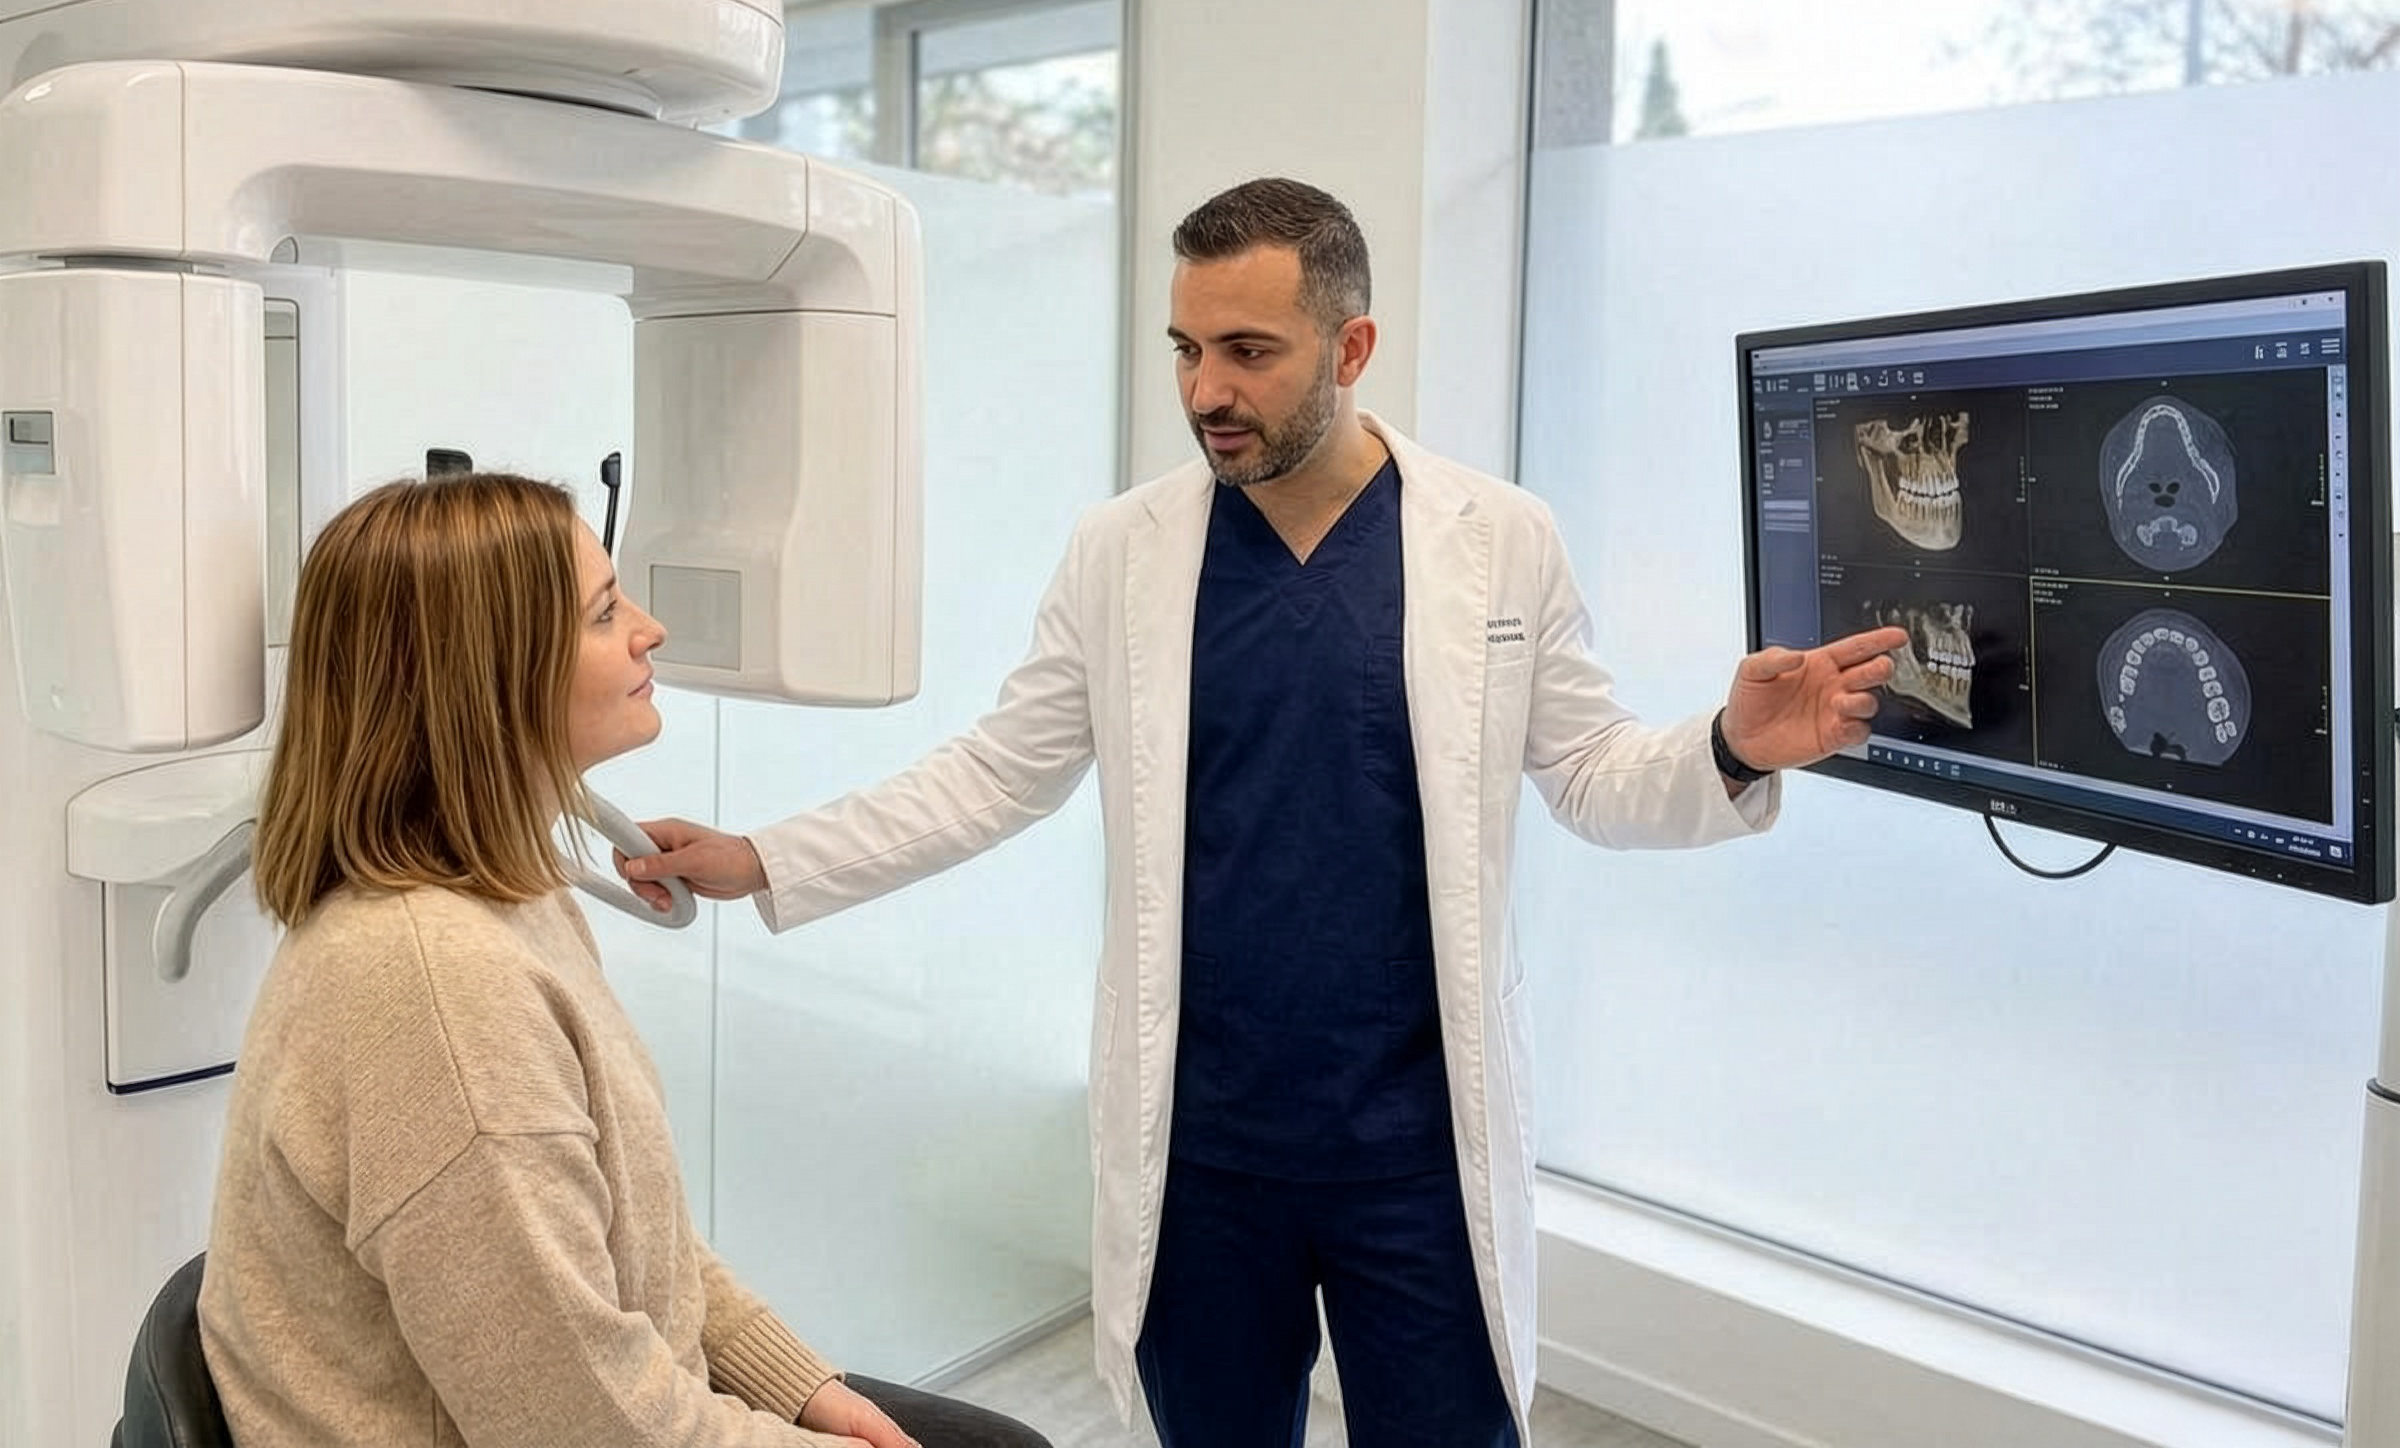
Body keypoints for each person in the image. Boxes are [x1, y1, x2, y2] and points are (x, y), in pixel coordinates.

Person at [620, 178, 1906, 1448]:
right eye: (1186, 349)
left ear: (1351, 347)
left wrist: (1733, 746)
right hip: (1202, 1149)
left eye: (1248, 351)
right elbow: (1000, 768)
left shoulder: (1497, 538)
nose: (1205, 392)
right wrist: (767, 856)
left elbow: (1591, 770)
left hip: (1416, 1147)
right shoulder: (1122, 551)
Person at [199, 472, 1049, 1448]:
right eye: (606, 613)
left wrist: (801, 1385)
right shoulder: (438, 991)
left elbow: (627, 1233)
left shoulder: (508, 894)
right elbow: (580, 1427)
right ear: (492, 674)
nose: (652, 630)